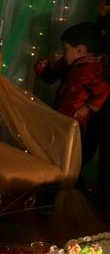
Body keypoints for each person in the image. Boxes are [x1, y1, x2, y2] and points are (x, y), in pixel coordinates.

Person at [34, 22, 110, 196]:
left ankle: (69, 191)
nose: (63, 53)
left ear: (80, 49)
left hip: (77, 124)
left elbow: (104, 91)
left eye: (66, 49)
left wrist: (87, 108)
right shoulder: (71, 62)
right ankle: (59, 187)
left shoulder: (89, 69)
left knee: (71, 157)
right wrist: (43, 69)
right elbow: (51, 77)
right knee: (58, 152)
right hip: (63, 118)